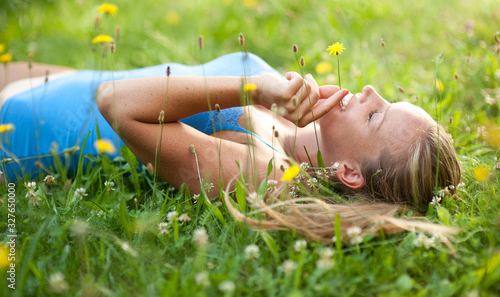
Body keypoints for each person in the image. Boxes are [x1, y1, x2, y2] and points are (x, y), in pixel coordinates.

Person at [0, 52, 461, 240]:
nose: (368, 91)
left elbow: (116, 104)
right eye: (388, 99)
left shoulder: (264, 172)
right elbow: (113, 83)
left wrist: (254, 90)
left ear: (350, 173)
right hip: (51, 82)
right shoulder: (294, 113)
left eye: (375, 115)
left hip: (20, 131)